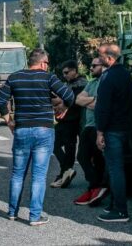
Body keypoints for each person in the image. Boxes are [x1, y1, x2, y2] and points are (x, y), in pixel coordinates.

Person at [0, 49, 74, 226]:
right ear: (43, 63)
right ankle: (34, 216)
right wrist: (64, 109)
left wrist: (9, 121)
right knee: (38, 175)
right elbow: (69, 95)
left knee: (17, 173)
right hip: (44, 131)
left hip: (22, 130)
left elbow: (0, 100)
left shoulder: (15, 77)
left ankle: (12, 212)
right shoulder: (48, 78)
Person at [94, 43, 132, 223]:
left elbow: (103, 107)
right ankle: (113, 204)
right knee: (117, 168)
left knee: (115, 169)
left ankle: (120, 210)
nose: (99, 58)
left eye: (101, 56)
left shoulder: (107, 77)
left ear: (109, 58)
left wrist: (100, 132)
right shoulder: (126, 75)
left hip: (111, 129)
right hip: (125, 127)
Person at [73, 56, 108, 206]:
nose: (91, 68)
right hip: (88, 126)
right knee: (82, 156)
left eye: (94, 66)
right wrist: (92, 100)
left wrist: (90, 101)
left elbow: (101, 104)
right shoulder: (91, 82)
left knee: (99, 159)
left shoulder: (106, 82)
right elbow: (78, 100)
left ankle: (95, 188)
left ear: (104, 66)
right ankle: (95, 185)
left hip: (98, 125)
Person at [50, 60, 86, 189]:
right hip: (65, 120)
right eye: (63, 73)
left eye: (67, 72)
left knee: (70, 149)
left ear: (75, 70)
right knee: (54, 144)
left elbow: (74, 100)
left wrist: (61, 101)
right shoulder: (69, 84)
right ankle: (66, 171)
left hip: (73, 121)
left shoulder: (81, 84)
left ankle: (64, 174)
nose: (64, 75)